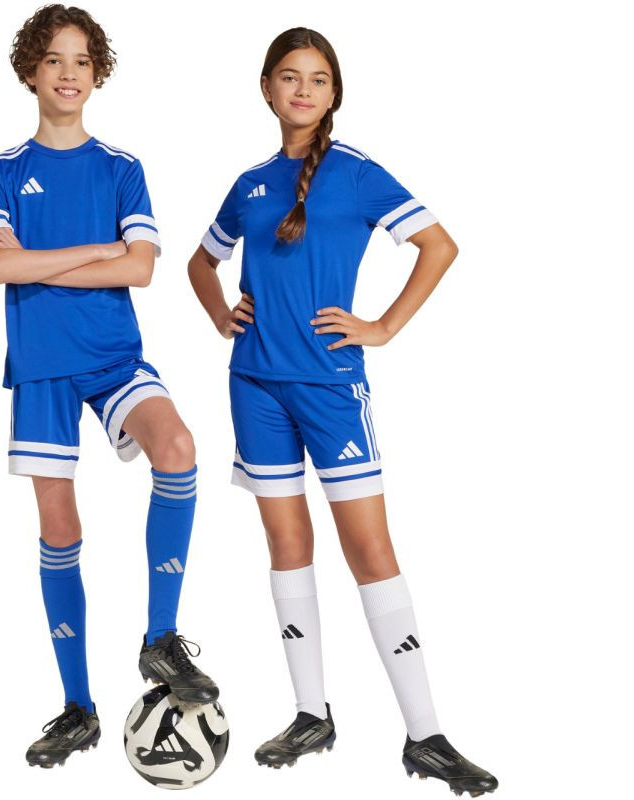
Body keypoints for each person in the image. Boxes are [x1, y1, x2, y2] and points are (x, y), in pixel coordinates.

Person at [188, 27, 497, 796]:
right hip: (254, 386)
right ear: (266, 88)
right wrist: (222, 313)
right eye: (289, 77)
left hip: (331, 388)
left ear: (333, 94)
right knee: (287, 543)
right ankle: (310, 714)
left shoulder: (357, 173)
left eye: (318, 79)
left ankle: (425, 735)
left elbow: (439, 245)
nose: (303, 90)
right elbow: (201, 261)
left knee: (369, 549)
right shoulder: (250, 183)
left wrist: (382, 327)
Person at [0, 4, 217, 769]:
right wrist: (99, 250)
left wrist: (47, 259)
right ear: (30, 71)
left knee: (178, 448)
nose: (68, 72)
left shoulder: (121, 168)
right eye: (54, 59)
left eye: (81, 60)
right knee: (59, 529)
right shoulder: (0, 170)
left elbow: (140, 270)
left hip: (114, 356)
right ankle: (78, 707)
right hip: (41, 363)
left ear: (98, 72)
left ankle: (160, 639)